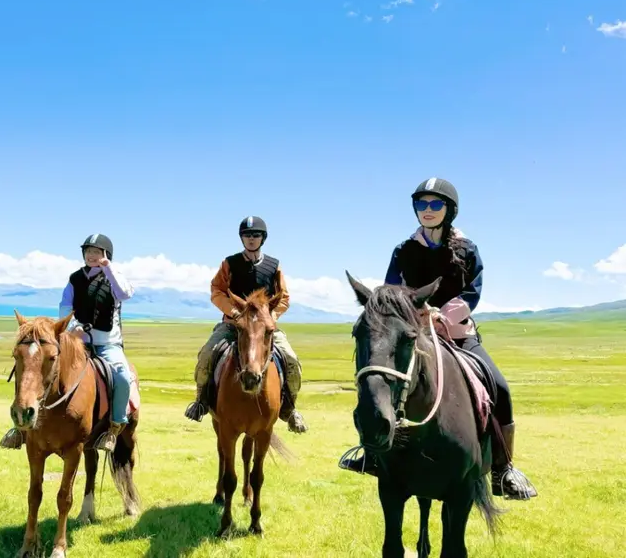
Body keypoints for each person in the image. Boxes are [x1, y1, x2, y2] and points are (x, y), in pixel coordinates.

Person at [338, 178, 538, 501]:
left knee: (500, 387)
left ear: (450, 210)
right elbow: (392, 293)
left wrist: (443, 314)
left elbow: (472, 292)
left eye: (435, 204)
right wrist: (418, 314)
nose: (427, 210)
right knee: (379, 377)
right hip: (413, 334)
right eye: (422, 204)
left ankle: (503, 470)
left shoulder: (467, 249)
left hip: (457, 335)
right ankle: (372, 453)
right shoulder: (403, 251)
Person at [184, 216, 308, 434]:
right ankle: (201, 400)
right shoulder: (229, 263)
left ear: (263, 238)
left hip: (263, 328)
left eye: (256, 235)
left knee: (291, 360)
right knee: (207, 354)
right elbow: (217, 291)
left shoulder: (274, 266)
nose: (251, 239)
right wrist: (233, 312)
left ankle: (290, 408)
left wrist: (271, 316)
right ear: (241, 238)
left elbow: (284, 297)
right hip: (234, 325)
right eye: (247, 235)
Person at [59, 233, 136, 452]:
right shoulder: (74, 279)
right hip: (77, 342)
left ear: (106, 254)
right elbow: (65, 307)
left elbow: (125, 293)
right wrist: (73, 327)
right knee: (44, 366)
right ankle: (26, 426)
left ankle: (114, 426)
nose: (91, 255)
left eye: (96, 252)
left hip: (107, 344)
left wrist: (108, 268)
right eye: (88, 251)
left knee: (122, 376)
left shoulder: (115, 277)